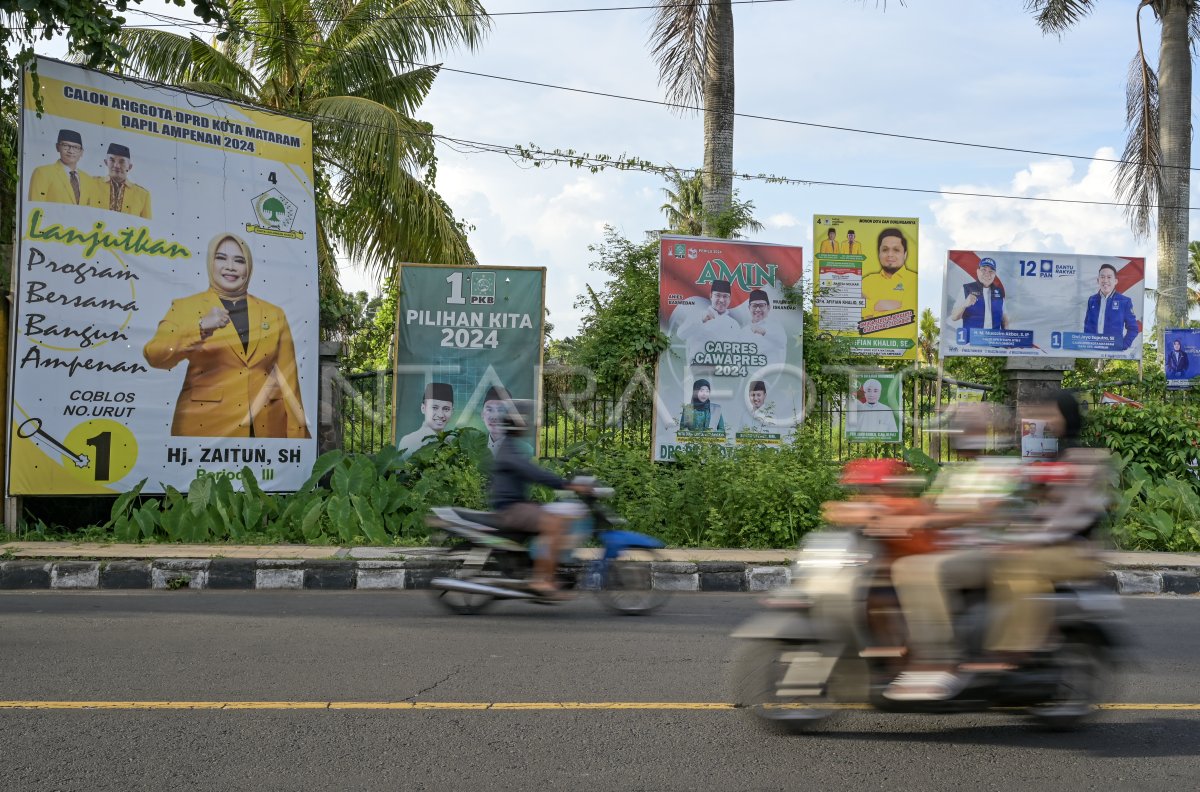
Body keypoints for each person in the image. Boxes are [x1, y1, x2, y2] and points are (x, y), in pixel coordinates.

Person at [883, 402, 1025, 701]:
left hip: (985, 553)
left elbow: (985, 511)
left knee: (922, 569)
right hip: (949, 550)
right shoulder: (953, 473)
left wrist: (932, 519)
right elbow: (926, 505)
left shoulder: (1004, 469)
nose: (958, 436)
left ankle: (940, 660)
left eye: (966, 428)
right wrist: (883, 512)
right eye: (957, 429)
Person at [984, 391, 1113, 662]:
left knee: (1018, 568)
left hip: (1075, 550)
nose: (1047, 420)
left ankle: (1015, 649)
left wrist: (1026, 541)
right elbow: (1039, 506)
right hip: (1057, 545)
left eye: (1052, 413)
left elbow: (1065, 518)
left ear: (1067, 416)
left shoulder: (1079, 458)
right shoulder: (1059, 454)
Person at [143, 232, 308, 438]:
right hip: (205, 427)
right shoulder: (186, 307)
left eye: (239, 260)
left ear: (248, 267)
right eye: (221, 258)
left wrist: (298, 437)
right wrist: (200, 326)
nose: (230, 266)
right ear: (210, 262)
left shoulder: (273, 313)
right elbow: (155, 356)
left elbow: (288, 380)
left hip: (266, 429)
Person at [489, 399, 589, 599]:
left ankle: (543, 568)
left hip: (517, 505)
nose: (528, 425)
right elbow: (534, 473)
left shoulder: (511, 446)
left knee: (556, 516)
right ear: (517, 424)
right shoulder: (509, 449)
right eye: (525, 421)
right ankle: (541, 580)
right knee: (552, 522)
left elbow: (532, 472)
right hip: (510, 509)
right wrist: (566, 484)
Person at [27, 129, 100, 206]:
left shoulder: (88, 179)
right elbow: (35, 207)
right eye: (66, 145)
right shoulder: (42, 173)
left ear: (81, 152)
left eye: (76, 147)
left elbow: (91, 212)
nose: (71, 151)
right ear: (57, 147)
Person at [677, 279, 739, 365]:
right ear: (711, 296)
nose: (721, 300)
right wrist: (701, 320)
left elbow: (736, 350)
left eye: (725, 296)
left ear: (729, 299)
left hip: (724, 371)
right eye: (717, 295)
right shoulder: (699, 315)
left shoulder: (734, 324)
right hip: (699, 368)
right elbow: (681, 334)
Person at [860, 228, 917, 319]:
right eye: (885, 250)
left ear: (905, 254)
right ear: (879, 253)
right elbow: (854, 310)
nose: (890, 254)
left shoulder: (915, 280)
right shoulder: (866, 281)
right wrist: (877, 304)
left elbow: (909, 314)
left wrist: (870, 308)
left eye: (896, 250)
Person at [1082, 263, 1139, 350]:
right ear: (1098, 280)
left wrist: (1123, 345)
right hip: (1092, 349)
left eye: (1109, 277)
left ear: (1115, 281)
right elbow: (1087, 325)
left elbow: (1133, 328)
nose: (1105, 280)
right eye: (1102, 277)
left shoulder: (1124, 301)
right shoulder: (1092, 300)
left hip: (1113, 351)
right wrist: (1087, 344)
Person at [88, 143, 152, 219]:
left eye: (122, 162)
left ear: (130, 167)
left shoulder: (143, 195)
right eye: (112, 160)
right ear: (106, 162)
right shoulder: (90, 184)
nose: (116, 165)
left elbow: (147, 226)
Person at [950, 258, 1008, 332]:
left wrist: (1006, 336)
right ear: (978, 271)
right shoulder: (967, 289)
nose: (987, 274)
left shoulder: (999, 292)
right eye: (984, 270)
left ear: (994, 274)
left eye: (991, 271)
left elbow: (1004, 319)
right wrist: (964, 304)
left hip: (993, 341)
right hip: (971, 341)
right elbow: (954, 317)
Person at [397, 383, 454, 459]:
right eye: (434, 408)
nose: (440, 415)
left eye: (446, 409)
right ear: (423, 408)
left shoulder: (452, 441)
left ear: (452, 411)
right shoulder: (409, 441)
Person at [739, 289, 787, 367]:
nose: (757, 309)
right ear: (749, 308)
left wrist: (764, 332)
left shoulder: (775, 325)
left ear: (768, 307)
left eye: (761, 305)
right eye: (754, 306)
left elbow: (782, 342)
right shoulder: (744, 331)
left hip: (770, 374)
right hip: (749, 375)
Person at [482, 385, 533, 457]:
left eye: (501, 410)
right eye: (489, 410)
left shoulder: (525, 450)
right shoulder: (473, 446)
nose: (494, 417)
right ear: (482, 415)